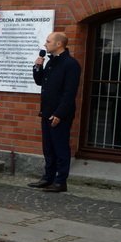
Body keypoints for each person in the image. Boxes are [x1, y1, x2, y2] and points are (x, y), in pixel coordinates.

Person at [29, 31, 81, 193]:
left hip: (60, 114)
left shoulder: (71, 64)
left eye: (48, 41)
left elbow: (69, 93)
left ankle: (60, 181)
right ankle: (47, 178)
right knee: (48, 148)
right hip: (46, 111)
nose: (45, 44)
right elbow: (39, 82)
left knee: (60, 148)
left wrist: (59, 114)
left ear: (59, 44)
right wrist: (38, 66)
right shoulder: (51, 62)